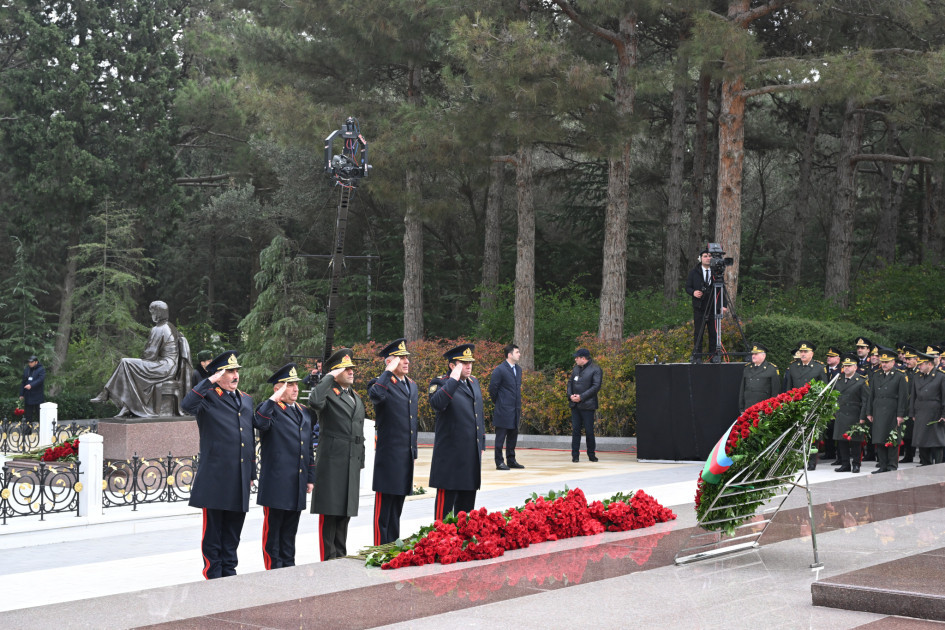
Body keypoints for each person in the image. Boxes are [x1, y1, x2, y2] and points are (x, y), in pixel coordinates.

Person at [182, 350, 255, 579]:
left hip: (239, 476)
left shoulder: (246, 399)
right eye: (229, 371)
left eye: (236, 371)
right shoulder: (208, 397)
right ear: (218, 374)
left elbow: (249, 438)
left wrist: (251, 472)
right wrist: (210, 379)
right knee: (214, 531)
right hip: (216, 478)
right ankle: (213, 575)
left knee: (234, 530)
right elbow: (187, 405)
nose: (235, 376)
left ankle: (229, 571)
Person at [253, 363, 315, 570]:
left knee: (290, 532)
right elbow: (260, 422)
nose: (296, 389)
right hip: (276, 484)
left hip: (296, 483)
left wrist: (310, 477)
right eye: (289, 385)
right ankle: (273, 571)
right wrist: (273, 399)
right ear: (277, 388)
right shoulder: (270, 410)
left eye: (296, 384)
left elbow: (308, 448)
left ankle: (289, 568)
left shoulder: (304, 412)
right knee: (273, 533)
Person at [309, 348, 365, 560]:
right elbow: (314, 401)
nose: (351, 372)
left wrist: (360, 460)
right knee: (330, 513)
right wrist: (327, 377)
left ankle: (340, 556)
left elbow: (358, 430)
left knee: (345, 513)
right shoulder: (328, 392)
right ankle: (328, 560)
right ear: (335, 372)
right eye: (346, 369)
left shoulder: (354, 396)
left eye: (352, 369)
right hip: (332, 462)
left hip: (350, 461)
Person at [91, 300, 190, 417]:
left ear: (158, 313)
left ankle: (107, 393)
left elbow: (150, 355)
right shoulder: (171, 326)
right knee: (129, 367)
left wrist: (142, 359)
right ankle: (126, 406)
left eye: (152, 312)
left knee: (126, 362)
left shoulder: (159, 328)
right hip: (170, 367)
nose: (151, 315)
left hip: (164, 367)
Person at [367, 338, 419, 545]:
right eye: (400, 359)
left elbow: (411, 421)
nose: (406, 361)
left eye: (406, 358)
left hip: (405, 455)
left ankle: (393, 544)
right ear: (389, 363)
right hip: (389, 455)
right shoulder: (380, 383)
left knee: (397, 505)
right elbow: (376, 396)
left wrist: (413, 452)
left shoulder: (411, 385)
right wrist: (388, 372)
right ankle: (381, 547)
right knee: (384, 506)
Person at [429, 343, 486, 520]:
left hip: (470, 457)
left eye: (470, 362)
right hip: (450, 459)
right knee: (443, 517)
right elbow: (438, 404)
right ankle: (440, 545)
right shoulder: (440, 383)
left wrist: (481, 444)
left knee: (466, 513)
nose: (469, 366)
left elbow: (478, 414)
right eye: (463, 363)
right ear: (452, 365)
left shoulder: (473, 382)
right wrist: (453, 380)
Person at [868, 346, 909, 474]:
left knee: (891, 439)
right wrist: (869, 412)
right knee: (879, 438)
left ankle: (892, 465)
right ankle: (882, 465)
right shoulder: (876, 375)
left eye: (886, 362)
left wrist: (900, 414)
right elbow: (871, 394)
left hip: (892, 410)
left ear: (893, 362)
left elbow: (903, 397)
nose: (884, 364)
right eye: (882, 362)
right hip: (878, 409)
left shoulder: (899, 376)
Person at [685, 250, 726, 362]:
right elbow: (687, 287)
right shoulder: (694, 272)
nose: (708, 258)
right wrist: (693, 292)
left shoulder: (716, 272)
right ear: (700, 258)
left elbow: (722, 289)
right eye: (705, 256)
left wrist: (724, 304)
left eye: (709, 256)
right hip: (699, 307)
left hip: (713, 307)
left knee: (714, 333)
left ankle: (713, 357)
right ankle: (697, 357)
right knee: (699, 333)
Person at [833, 353, 870, 473]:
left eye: (849, 365)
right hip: (841, 412)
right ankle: (845, 464)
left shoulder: (861, 380)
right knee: (841, 440)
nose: (847, 368)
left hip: (855, 413)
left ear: (855, 367)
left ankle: (856, 464)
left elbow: (866, 401)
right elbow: (833, 397)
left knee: (855, 441)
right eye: (845, 365)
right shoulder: (838, 380)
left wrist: (862, 417)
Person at [489, 343, 524, 470]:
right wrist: (499, 402)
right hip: (503, 409)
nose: (519, 354)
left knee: (513, 436)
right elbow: (493, 389)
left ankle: (511, 459)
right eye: (517, 352)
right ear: (509, 355)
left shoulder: (518, 369)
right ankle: (499, 462)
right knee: (500, 438)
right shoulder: (500, 369)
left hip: (515, 409)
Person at [909, 349, 945, 466]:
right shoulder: (917, 376)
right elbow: (913, 396)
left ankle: (939, 465)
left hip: (935, 412)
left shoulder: (940, 376)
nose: (919, 366)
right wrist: (912, 413)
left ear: (929, 364)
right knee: (921, 439)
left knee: (936, 441)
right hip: (920, 412)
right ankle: (926, 464)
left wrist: (944, 415)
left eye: (921, 364)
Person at [567, 348, 603, 463]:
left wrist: (581, 397)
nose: (575, 359)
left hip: (588, 405)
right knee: (576, 430)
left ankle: (591, 454)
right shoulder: (576, 369)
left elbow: (596, 386)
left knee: (589, 431)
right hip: (575, 405)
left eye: (577, 357)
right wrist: (570, 395)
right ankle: (575, 455)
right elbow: (570, 383)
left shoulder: (596, 369)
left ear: (583, 358)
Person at [738, 343, 780, 412]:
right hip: (748, 407)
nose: (753, 356)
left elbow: (775, 391)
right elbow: (742, 389)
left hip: (763, 409)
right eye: (753, 354)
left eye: (756, 354)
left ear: (764, 355)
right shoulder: (747, 368)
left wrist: (773, 408)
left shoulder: (771, 369)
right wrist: (741, 408)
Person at [822, 346, 843, 464]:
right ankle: (829, 452)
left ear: (838, 359)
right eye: (828, 356)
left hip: (837, 404)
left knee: (837, 430)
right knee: (828, 429)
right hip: (826, 404)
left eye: (832, 356)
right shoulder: (824, 369)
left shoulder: (842, 370)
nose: (828, 358)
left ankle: (839, 455)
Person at [19, 355, 46, 423]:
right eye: (29, 362)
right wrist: (21, 394)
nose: (30, 363)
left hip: (37, 396)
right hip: (28, 396)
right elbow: (23, 382)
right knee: (28, 416)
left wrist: (31, 385)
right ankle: (28, 432)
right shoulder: (27, 369)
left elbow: (40, 380)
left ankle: (42, 431)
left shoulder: (41, 369)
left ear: (36, 362)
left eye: (31, 362)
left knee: (40, 415)